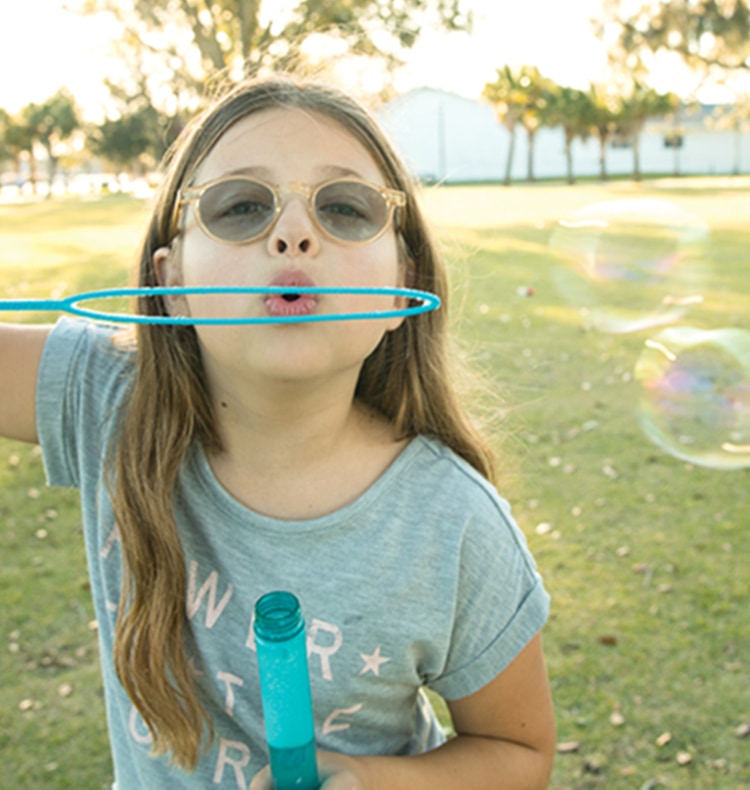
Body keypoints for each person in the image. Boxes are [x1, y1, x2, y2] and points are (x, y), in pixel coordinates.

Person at [0, 74, 555, 789]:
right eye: (240, 207)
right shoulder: (105, 398)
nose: (293, 232)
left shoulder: (453, 526)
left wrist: (369, 781)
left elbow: (520, 755)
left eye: (346, 208)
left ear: (401, 290)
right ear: (169, 286)